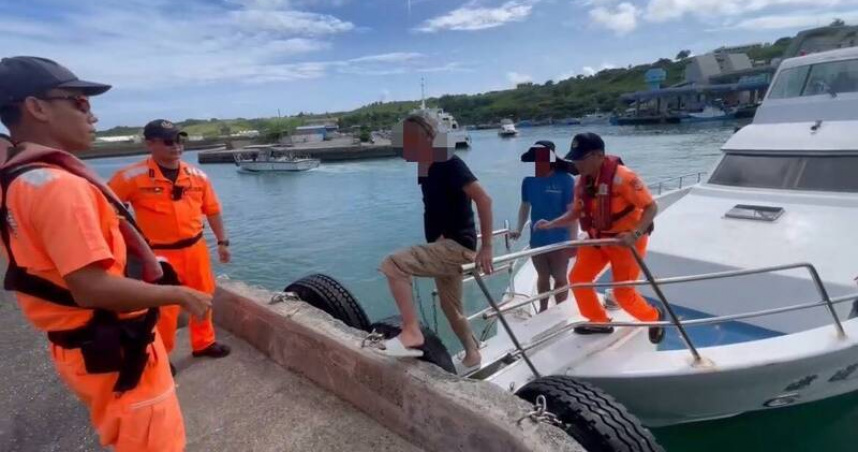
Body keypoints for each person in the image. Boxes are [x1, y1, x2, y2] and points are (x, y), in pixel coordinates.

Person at [0, 56, 211, 451]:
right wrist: (178, 294)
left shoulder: (18, 179)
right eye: (80, 102)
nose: (92, 116)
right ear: (36, 107)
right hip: (116, 350)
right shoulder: (61, 187)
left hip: (81, 347)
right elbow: (91, 287)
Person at [109, 119, 232, 362]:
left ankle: (204, 343)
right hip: (159, 254)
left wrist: (222, 242)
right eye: (168, 142)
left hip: (195, 248)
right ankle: (163, 356)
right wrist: (126, 246)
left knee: (204, 296)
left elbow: (213, 210)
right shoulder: (131, 176)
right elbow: (107, 208)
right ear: (150, 144)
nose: (176, 146)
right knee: (165, 308)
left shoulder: (197, 176)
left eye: (179, 140)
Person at [378, 114, 494, 368]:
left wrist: (486, 247)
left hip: (457, 247)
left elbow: (483, 199)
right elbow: (435, 207)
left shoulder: (450, 163)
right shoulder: (425, 169)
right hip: (442, 247)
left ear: (429, 138)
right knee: (450, 307)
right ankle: (472, 352)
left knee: (393, 264)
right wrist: (436, 236)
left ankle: (411, 331)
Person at [536, 132, 664, 343]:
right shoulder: (581, 182)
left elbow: (651, 207)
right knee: (577, 279)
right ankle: (598, 321)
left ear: (598, 155)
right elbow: (576, 211)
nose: (576, 163)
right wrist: (552, 224)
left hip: (627, 243)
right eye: (574, 158)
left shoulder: (624, 177)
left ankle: (655, 317)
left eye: (580, 158)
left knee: (623, 294)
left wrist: (636, 233)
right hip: (598, 241)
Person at [510, 140, 577, 312]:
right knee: (543, 276)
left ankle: (560, 310)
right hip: (537, 239)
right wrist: (518, 227)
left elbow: (572, 214)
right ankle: (543, 309)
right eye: (536, 158)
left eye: (543, 157)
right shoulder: (528, 182)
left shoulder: (566, 180)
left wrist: (573, 241)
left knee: (560, 277)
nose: (539, 162)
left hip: (559, 239)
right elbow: (525, 206)